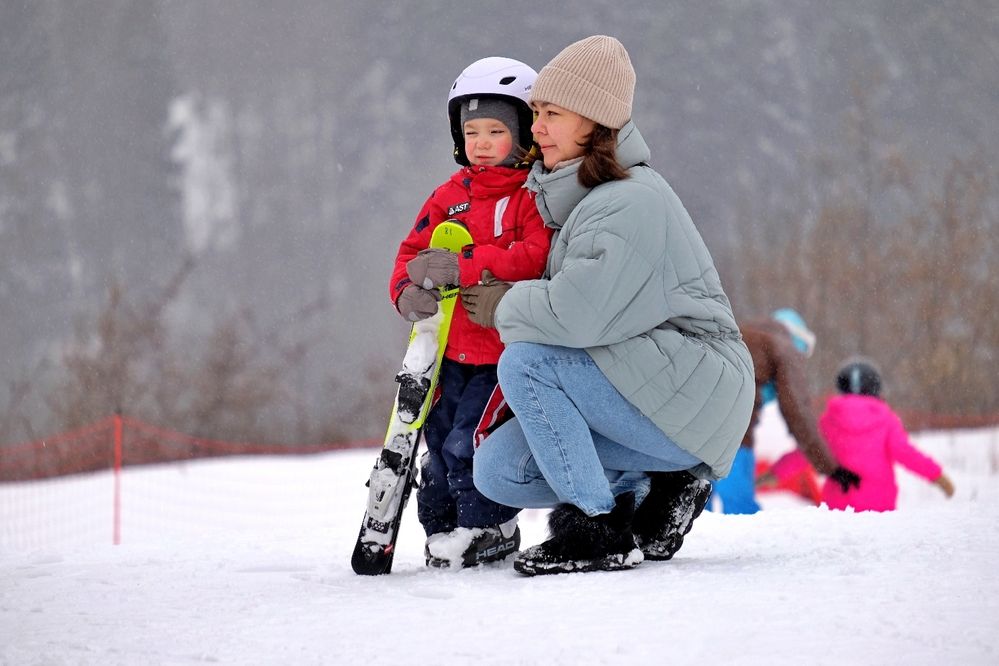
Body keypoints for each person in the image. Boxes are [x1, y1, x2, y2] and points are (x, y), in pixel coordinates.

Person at [464, 35, 755, 576]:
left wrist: (504, 303)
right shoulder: (583, 201)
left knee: (527, 362)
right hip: (651, 385)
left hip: (699, 388)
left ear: (594, 124)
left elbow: (578, 316)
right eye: (536, 113)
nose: (537, 128)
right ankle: (650, 488)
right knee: (499, 470)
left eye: (552, 114)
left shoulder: (628, 201)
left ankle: (596, 530)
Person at [389, 56, 552, 568]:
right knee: (437, 445)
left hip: (501, 354)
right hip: (448, 353)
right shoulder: (448, 197)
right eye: (471, 131)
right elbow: (411, 252)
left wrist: (468, 264)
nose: (481, 142)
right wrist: (405, 289)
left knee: (471, 441)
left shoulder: (532, 195)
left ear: (523, 132)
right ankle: (442, 531)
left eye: (496, 131)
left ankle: (489, 525)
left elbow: (536, 255)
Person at [717, 309, 861, 514]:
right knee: (740, 511)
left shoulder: (740, 331)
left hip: (693, 425)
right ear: (798, 338)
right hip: (732, 432)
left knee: (695, 509)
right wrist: (831, 467)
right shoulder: (784, 347)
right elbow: (798, 411)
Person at [815, 359, 955, 511]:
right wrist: (936, 475)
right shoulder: (886, 419)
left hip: (837, 507)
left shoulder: (828, 420)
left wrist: (790, 471)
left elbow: (809, 450)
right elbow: (905, 452)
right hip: (878, 506)